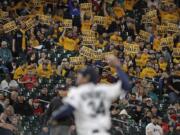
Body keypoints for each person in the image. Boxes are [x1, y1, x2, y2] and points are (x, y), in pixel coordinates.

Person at [51, 55, 131, 135]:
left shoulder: (78, 91)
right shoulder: (103, 89)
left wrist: (54, 117)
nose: (78, 76)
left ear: (87, 77)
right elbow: (126, 85)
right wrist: (118, 67)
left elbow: (68, 109)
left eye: (80, 75)